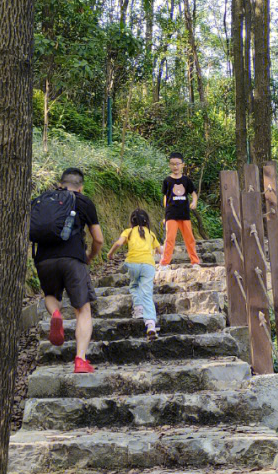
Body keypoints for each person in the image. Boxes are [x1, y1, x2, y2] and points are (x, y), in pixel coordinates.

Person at [30, 166, 103, 374]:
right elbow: (98, 239)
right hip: (73, 260)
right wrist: (89, 256)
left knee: (51, 295)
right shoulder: (83, 201)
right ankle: (80, 359)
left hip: (44, 260)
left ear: (61, 183)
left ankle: (55, 313)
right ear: (81, 187)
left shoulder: (44, 199)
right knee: (83, 310)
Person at [104, 208, 161, 336]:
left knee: (134, 285)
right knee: (147, 292)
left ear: (132, 221)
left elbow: (118, 243)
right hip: (148, 265)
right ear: (147, 221)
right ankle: (151, 324)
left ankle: (139, 309)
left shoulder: (128, 232)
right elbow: (160, 250)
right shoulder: (151, 234)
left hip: (133, 263)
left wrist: (110, 253)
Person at [160, 151, 199, 267]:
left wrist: (194, 202)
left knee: (189, 238)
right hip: (171, 214)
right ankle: (165, 263)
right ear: (169, 165)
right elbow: (165, 197)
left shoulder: (186, 180)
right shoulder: (167, 180)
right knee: (170, 239)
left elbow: (194, 193)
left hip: (184, 214)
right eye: (172, 164)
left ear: (183, 165)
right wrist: (165, 214)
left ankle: (195, 262)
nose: (175, 166)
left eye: (177, 164)